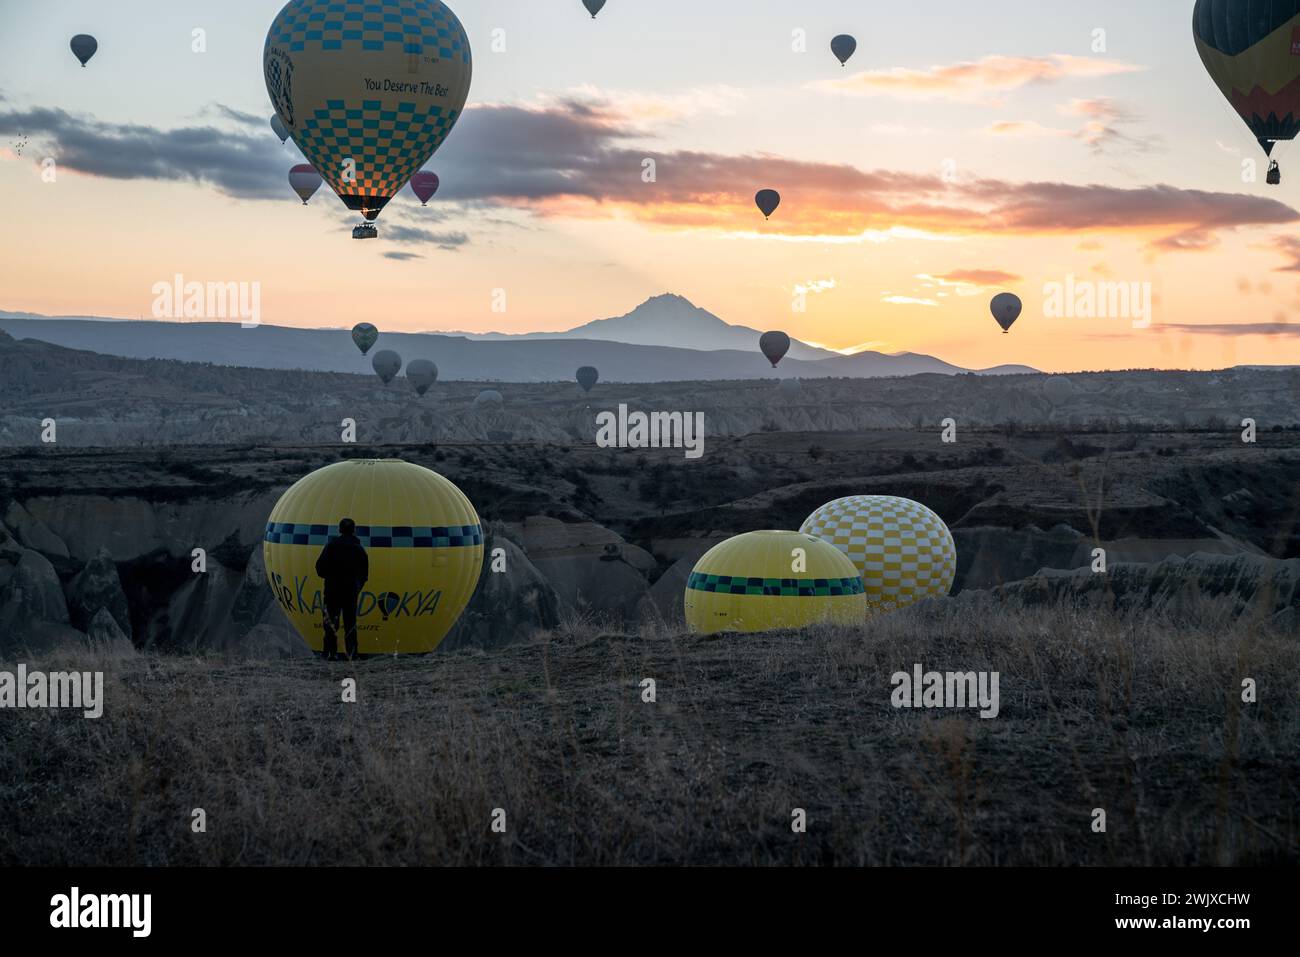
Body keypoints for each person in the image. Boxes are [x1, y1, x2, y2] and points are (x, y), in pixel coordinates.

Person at [314, 518, 368, 660]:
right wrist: (357, 587)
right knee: (350, 623)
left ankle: (330, 654)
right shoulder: (359, 549)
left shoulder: (331, 546)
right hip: (350, 591)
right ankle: (352, 654)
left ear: (339, 530)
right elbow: (364, 573)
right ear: (354, 530)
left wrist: (331, 577)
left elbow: (319, 568)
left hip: (332, 591)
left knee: (331, 623)